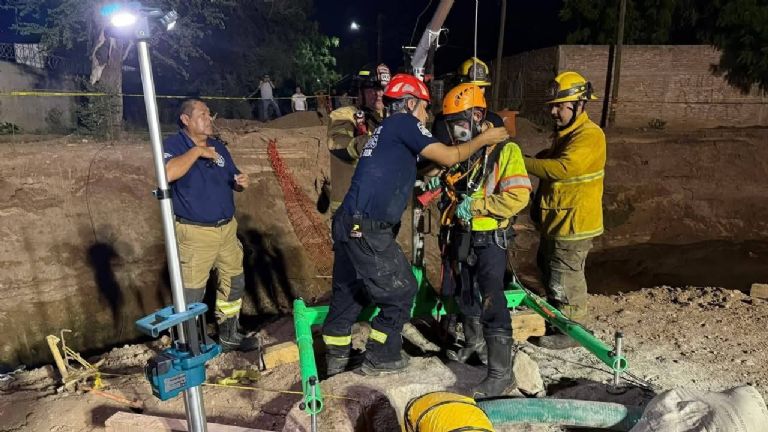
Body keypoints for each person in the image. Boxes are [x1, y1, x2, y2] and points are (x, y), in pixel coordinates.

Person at [321, 74, 510, 377]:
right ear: (410, 103)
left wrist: (436, 168)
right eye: (424, 108)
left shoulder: (386, 133)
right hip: (368, 227)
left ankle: (336, 363)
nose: (426, 115)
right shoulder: (404, 124)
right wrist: (483, 140)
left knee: (348, 295)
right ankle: (380, 355)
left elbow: (420, 166)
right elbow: (449, 155)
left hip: (348, 224)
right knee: (402, 291)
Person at [432, 83, 531, 397]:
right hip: (464, 236)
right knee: (468, 294)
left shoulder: (506, 151)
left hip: (490, 238)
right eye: (453, 125)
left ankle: (501, 374)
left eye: (461, 123)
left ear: (477, 115)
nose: (457, 130)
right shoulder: (466, 155)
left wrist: (475, 206)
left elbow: (517, 197)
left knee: (492, 299)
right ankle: (474, 345)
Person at [162, 98, 259, 352]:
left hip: (227, 229)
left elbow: (232, 176)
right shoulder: (174, 145)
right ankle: (190, 346)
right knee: (192, 292)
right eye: (203, 114)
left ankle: (228, 334)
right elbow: (167, 174)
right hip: (195, 233)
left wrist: (240, 181)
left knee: (234, 280)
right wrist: (196, 152)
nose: (209, 119)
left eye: (209, 114)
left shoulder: (218, 147)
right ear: (186, 120)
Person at [524, 71, 606, 349]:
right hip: (557, 220)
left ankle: (572, 332)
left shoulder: (590, 135)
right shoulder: (567, 134)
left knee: (565, 276)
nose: (554, 111)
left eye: (560, 106)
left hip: (574, 223)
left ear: (580, 105)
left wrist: (520, 161)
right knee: (549, 272)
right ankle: (556, 321)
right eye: (552, 106)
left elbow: (563, 169)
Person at [326, 64, 391, 213]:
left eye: (382, 89)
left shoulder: (389, 117)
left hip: (380, 207)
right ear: (360, 90)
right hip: (350, 207)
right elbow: (337, 142)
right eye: (373, 89)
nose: (379, 94)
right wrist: (369, 143)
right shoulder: (344, 114)